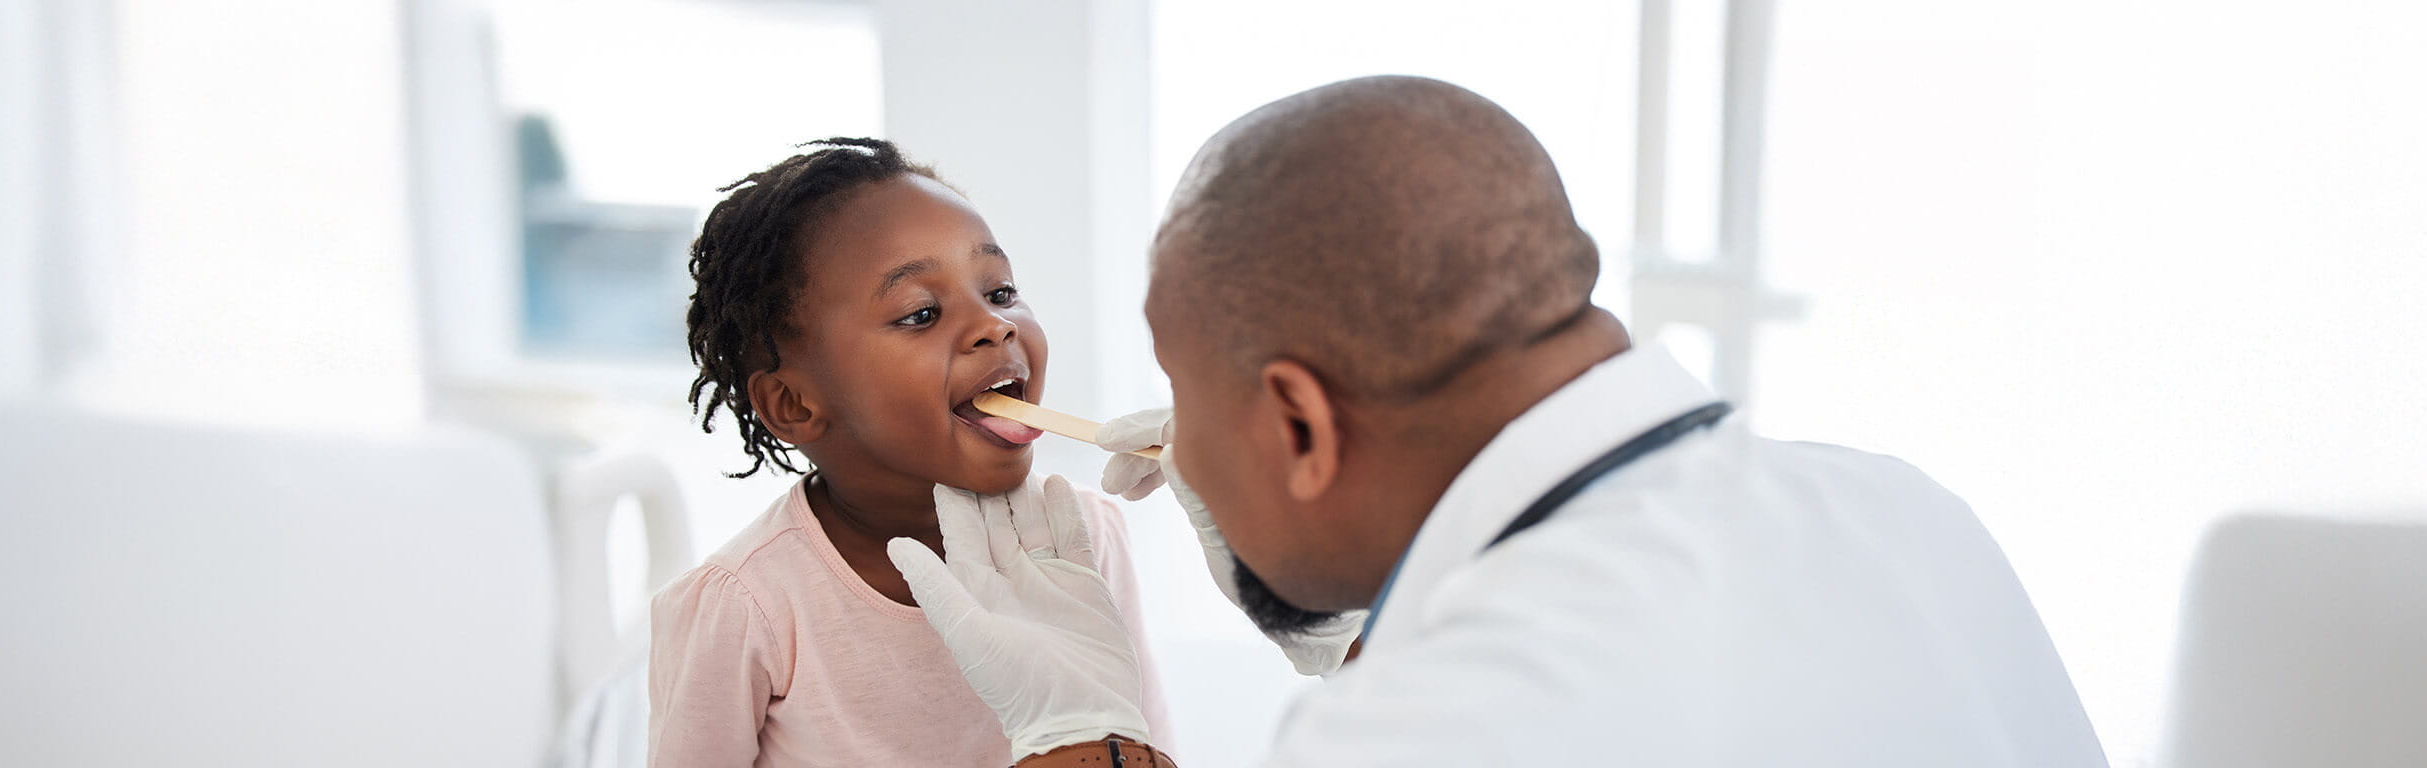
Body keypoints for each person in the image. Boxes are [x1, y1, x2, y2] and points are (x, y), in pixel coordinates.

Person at [887, 77, 2108, 766]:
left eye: (1193, 397)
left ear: (1300, 425)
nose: (1181, 449)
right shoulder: (1899, 508)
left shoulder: (1423, 734)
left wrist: (1084, 737)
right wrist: (1370, 633)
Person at [648, 138, 1166, 767]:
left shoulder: (1085, 539)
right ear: (794, 403)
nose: (995, 325)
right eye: (921, 313)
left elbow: (1148, 745)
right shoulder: (743, 606)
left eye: (1001, 292)